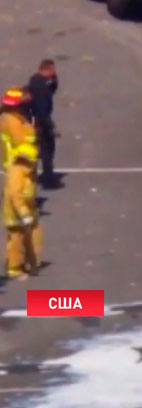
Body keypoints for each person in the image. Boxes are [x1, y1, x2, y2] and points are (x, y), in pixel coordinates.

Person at [3, 144, 43, 279]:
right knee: (16, 239)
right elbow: (15, 195)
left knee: (35, 234)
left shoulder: (29, 171)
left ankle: (31, 261)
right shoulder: (17, 173)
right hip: (15, 212)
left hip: (28, 208)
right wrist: (24, 214)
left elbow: (29, 192)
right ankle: (14, 268)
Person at [28, 59, 60, 188]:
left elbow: (53, 89)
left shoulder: (40, 81)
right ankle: (48, 178)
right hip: (41, 120)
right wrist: (50, 125)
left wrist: (54, 79)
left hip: (40, 118)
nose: (54, 72)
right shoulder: (39, 86)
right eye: (52, 70)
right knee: (47, 149)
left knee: (43, 149)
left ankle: (40, 175)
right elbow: (41, 109)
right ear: (45, 70)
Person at [0, 88, 36, 171]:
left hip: (12, 159)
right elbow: (19, 140)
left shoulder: (5, 116)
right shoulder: (14, 120)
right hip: (19, 160)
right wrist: (31, 130)